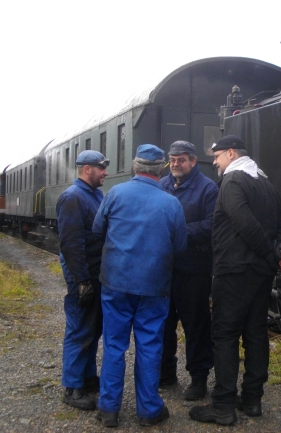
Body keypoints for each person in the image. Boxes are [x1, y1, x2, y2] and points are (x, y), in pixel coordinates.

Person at [189, 135, 281, 426]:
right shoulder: (265, 183)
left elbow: (244, 223)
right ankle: (252, 399)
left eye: (217, 156)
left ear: (231, 154)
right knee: (256, 334)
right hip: (260, 275)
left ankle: (223, 405)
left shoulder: (233, 181)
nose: (215, 163)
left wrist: (272, 254)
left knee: (225, 335)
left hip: (234, 271)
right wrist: (279, 251)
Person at [93, 144, 187, 428]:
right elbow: (180, 246)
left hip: (116, 283)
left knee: (113, 345)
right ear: (160, 170)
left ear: (135, 167)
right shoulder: (171, 203)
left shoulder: (115, 193)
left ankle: (108, 409)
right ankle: (148, 409)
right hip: (154, 286)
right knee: (149, 347)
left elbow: (97, 230)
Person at [159, 141, 218, 401]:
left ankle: (198, 378)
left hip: (194, 269)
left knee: (196, 326)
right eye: (172, 159)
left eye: (181, 159)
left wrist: (179, 232)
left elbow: (212, 224)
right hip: (164, 269)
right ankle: (166, 373)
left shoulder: (208, 189)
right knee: (164, 324)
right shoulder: (162, 185)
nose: (176, 164)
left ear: (193, 161)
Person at [56, 150, 109, 411]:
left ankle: (87, 378)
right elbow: (71, 243)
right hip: (83, 276)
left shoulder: (95, 195)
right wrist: (81, 281)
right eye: (101, 168)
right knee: (79, 330)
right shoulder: (73, 197)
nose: (105, 172)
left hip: (95, 274)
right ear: (87, 169)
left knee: (92, 329)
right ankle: (72, 387)